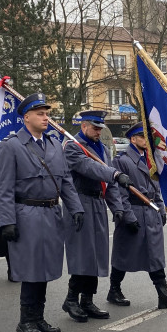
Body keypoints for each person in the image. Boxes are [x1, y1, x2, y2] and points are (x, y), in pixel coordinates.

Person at [0, 92, 84, 332]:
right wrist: (7, 221)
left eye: (47, 114)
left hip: (52, 214)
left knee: (45, 269)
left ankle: (39, 317)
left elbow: (65, 180)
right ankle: (26, 321)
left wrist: (76, 207)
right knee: (31, 269)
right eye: (41, 114)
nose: (46, 118)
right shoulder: (11, 146)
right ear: (26, 118)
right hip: (27, 214)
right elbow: (4, 188)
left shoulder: (54, 143)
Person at [107, 123, 167, 309]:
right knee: (124, 254)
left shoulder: (151, 159)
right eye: (142, 137)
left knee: (155, 255)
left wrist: (160, 208)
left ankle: (163, 292)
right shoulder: (123, 160)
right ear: (133, 139)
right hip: (133, 211)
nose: (146, 140)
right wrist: (127, 216)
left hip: (150, 211)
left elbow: (155, 188)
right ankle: (114, 289)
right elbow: (120, 192)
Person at [61, 110, 130, 321]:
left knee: (97, 254)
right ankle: (71, 299)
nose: (98, 132)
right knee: (83, 253)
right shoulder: (72, 146)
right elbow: (90, 168)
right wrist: (115, 174)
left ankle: (87, 300)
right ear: (83, 126)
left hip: (98, 201)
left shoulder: (101, 148)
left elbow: (107, 180)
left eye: (100, 128)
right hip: (79, 202)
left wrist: (117, 206)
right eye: (95, 128)